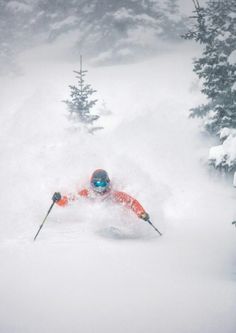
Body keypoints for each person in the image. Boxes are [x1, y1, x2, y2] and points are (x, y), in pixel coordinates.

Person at [52, 169, 150, 222]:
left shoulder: (114, 194)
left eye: (102, 184)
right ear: (91, 183)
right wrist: (58, 200)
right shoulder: (87, 192)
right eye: (97, 184)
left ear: (107, 183)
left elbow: (132, 202)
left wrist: (141, 213)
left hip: (116, 221)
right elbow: (69, 200)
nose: (100, 188)